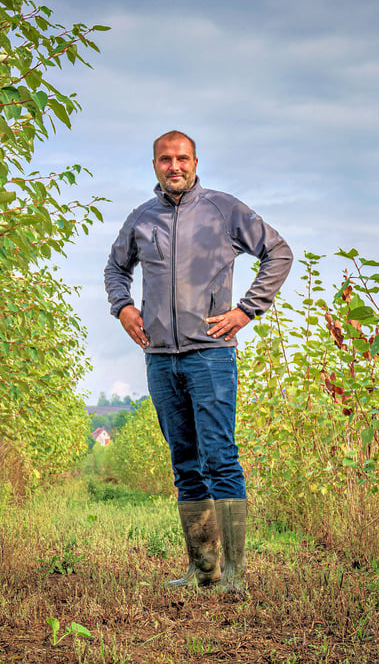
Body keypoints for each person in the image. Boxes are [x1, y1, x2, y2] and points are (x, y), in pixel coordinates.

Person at [104, 130, 293, 593]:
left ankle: (234, 576)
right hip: (160, 359)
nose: (175, 166)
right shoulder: (141, 218)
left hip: (210, 354)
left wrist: (246, 310)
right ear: (155, 164)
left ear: (195, 162)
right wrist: (123, 306)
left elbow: (278, 253)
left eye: (182, 158)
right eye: (165, 159)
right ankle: (203, 571)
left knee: (220, 458)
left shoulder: (223, 210)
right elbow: (115, 269)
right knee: (185, 462)